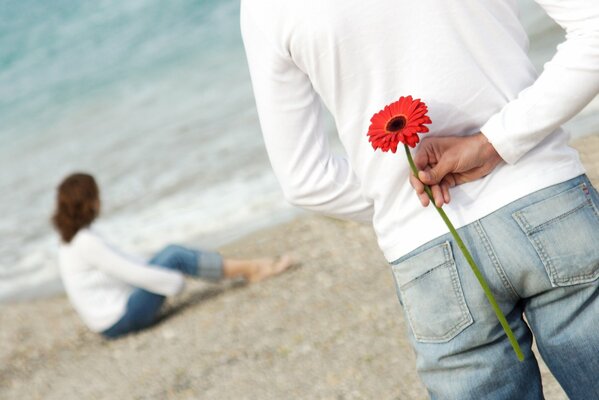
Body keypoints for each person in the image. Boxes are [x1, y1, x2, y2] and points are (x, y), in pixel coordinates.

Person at [240, 1, 599, 398]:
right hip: (545, 198)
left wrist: (411, 200)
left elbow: (304, 180)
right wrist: (495, 142)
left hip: (426, 254)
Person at [52, 173, 292, 339]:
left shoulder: (70, 241)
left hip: (108, 321)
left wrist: (162, 269)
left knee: (170, 255)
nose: (101, 200)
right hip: (118, 321)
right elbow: (131, 273)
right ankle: (251, 269)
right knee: (174, 256)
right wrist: (173, 282)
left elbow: (127, 265)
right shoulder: (86, 242)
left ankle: (247, 268)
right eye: (97, 195)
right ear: (89, 202)